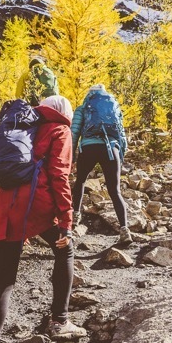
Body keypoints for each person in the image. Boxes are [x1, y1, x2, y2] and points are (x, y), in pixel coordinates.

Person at [0, 94, 85, 343]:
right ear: (65, 113)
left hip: (5, 207)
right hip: (36, 204)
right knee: (66, 249)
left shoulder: (26, 125)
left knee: (4, 281)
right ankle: (60, 321)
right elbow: (60, 176)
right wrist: (66, 222)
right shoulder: (59, 130)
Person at [70, 84, 131, 246]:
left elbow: (74, 132)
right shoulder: (113, 106)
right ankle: (125, 229)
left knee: (81, 180)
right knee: (114, 190)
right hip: (111, 149)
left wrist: (71, 157)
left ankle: (75, 216)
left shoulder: (83, 108)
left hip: (89, 147)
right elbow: (122, 135)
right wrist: (120, 155)